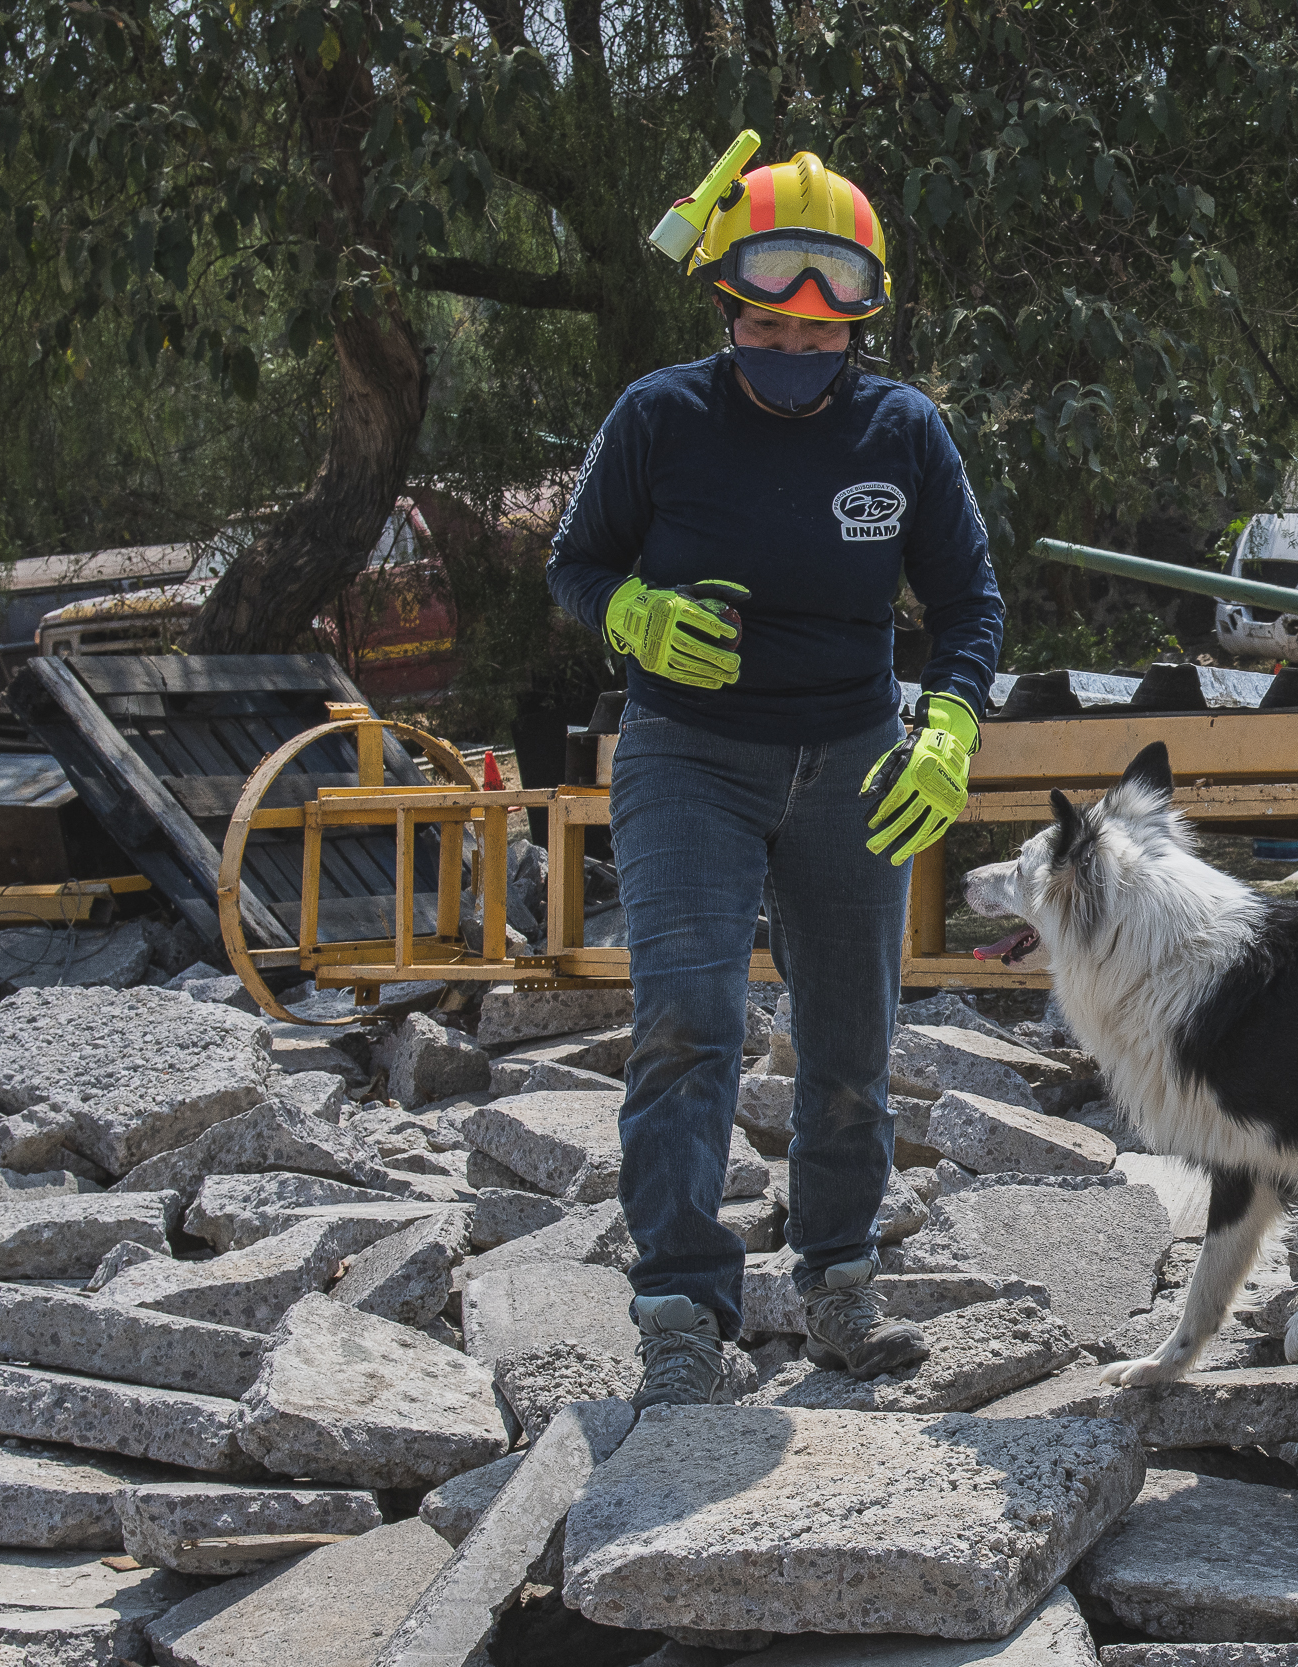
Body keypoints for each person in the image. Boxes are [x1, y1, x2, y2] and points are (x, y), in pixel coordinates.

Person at [545, 150, 1003, 1409]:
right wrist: (633, 614)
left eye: (818, 325)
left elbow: (969, 601)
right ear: (723, 309)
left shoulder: (902, 431)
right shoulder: (659, 417)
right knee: (686, 1018)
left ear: (858, 318)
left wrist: (950, 726)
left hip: (857, 760)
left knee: (851, 1042)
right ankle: (684, 1310)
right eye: (765, 319)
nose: (791, 340)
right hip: (688, 755)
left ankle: (839, 1282)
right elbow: (574, 563)